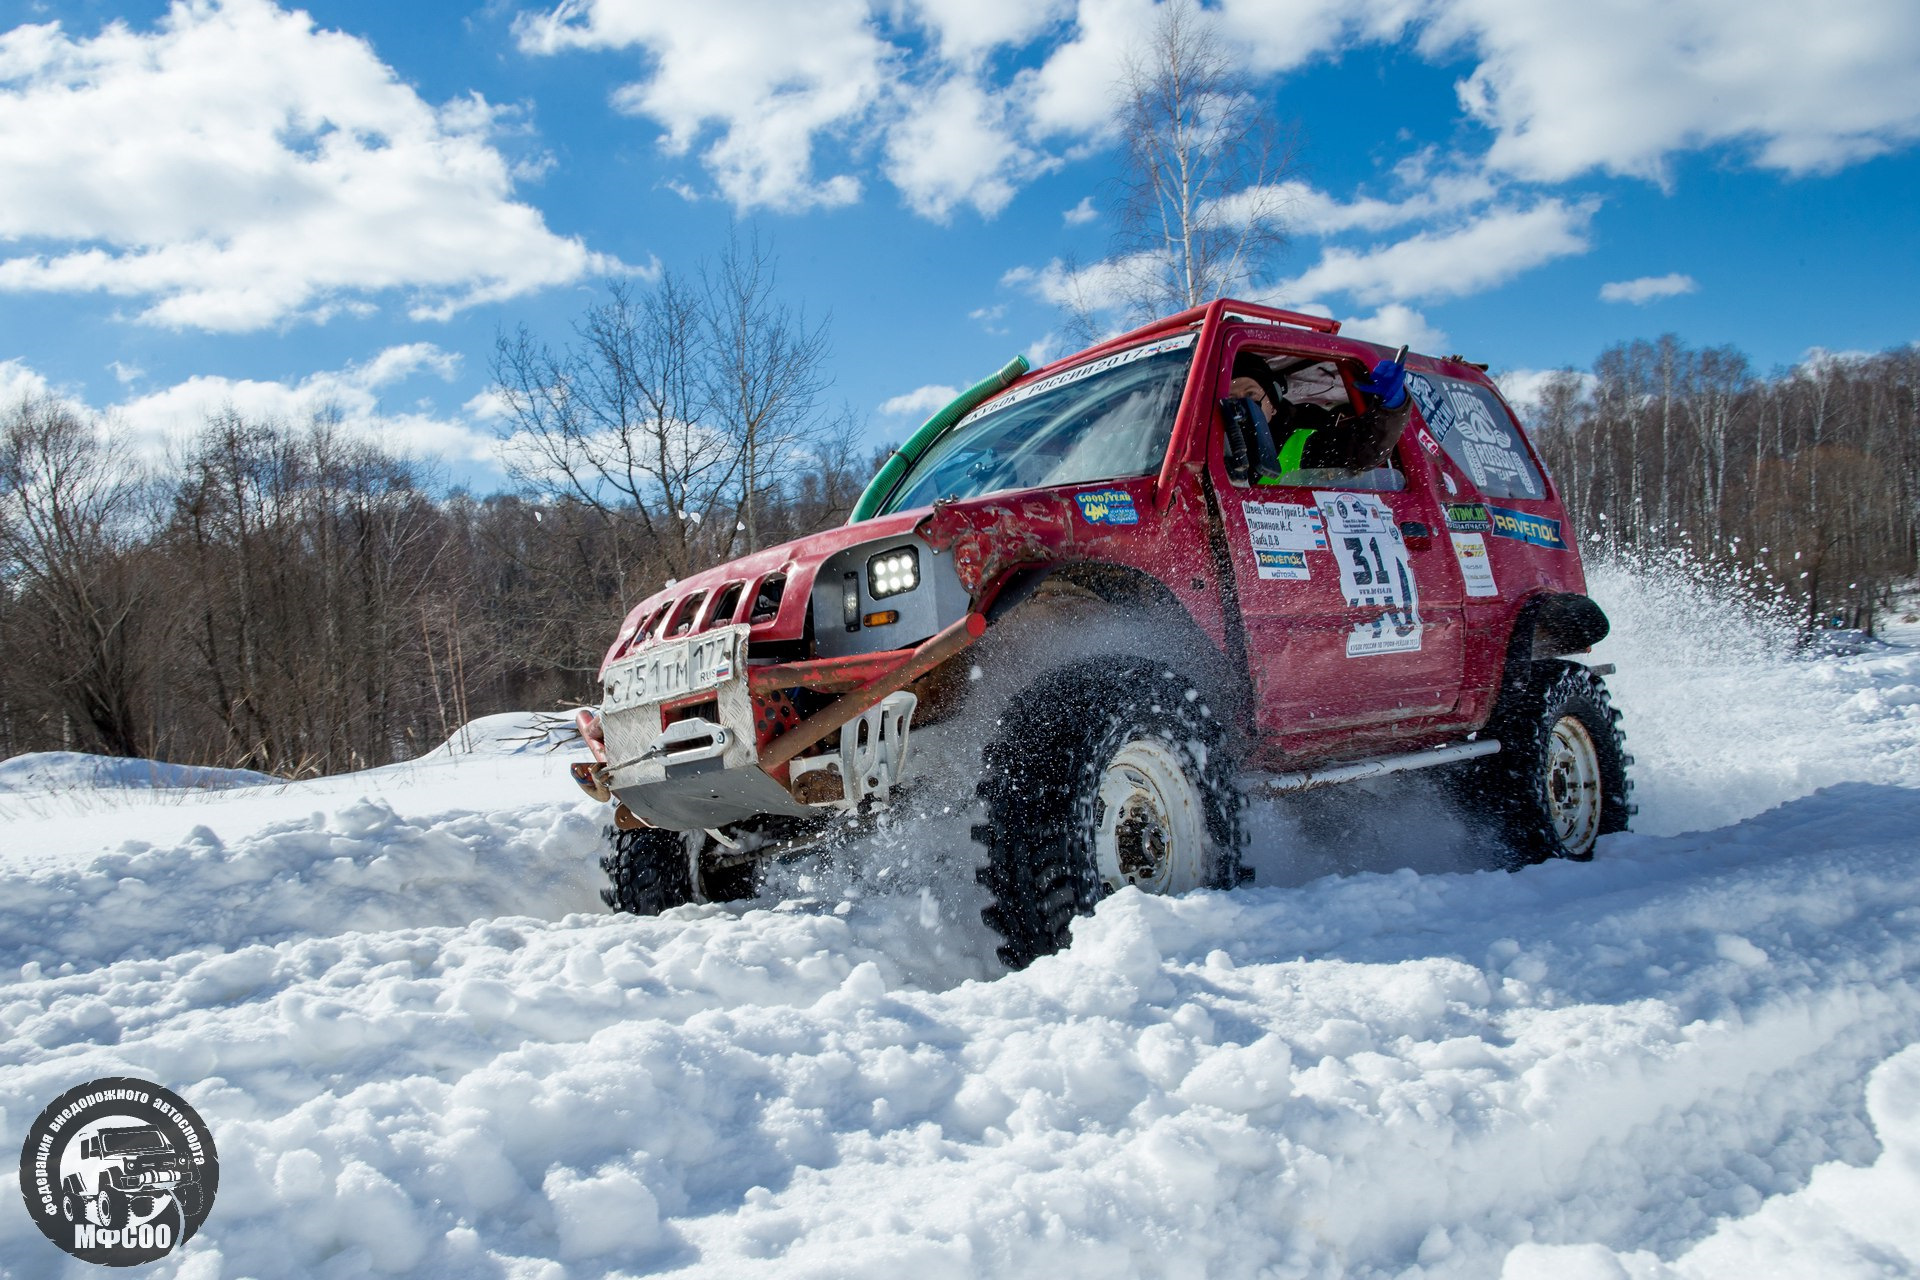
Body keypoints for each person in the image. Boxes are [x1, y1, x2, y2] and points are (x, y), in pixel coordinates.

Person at [1227, 351, 1411, 477]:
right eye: (1232, 398)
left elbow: (1363, 454)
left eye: (1251, 395)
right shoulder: (1215, 443)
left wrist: (1391, 408)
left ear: (1273, 404)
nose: (1242, 406)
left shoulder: (1302, 439)